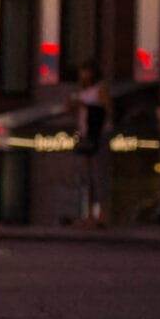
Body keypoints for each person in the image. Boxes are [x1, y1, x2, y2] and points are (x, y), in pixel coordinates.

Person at [68, 59, 112, 229]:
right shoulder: (83, 91)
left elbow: (107, 110)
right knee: (86, 176)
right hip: (85, 134)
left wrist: (85, 106)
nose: (82, 75)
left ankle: (101, 215)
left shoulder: (100, 89)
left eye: (84, 71)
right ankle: (88, 215)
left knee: (99, 174)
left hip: (99, 134)